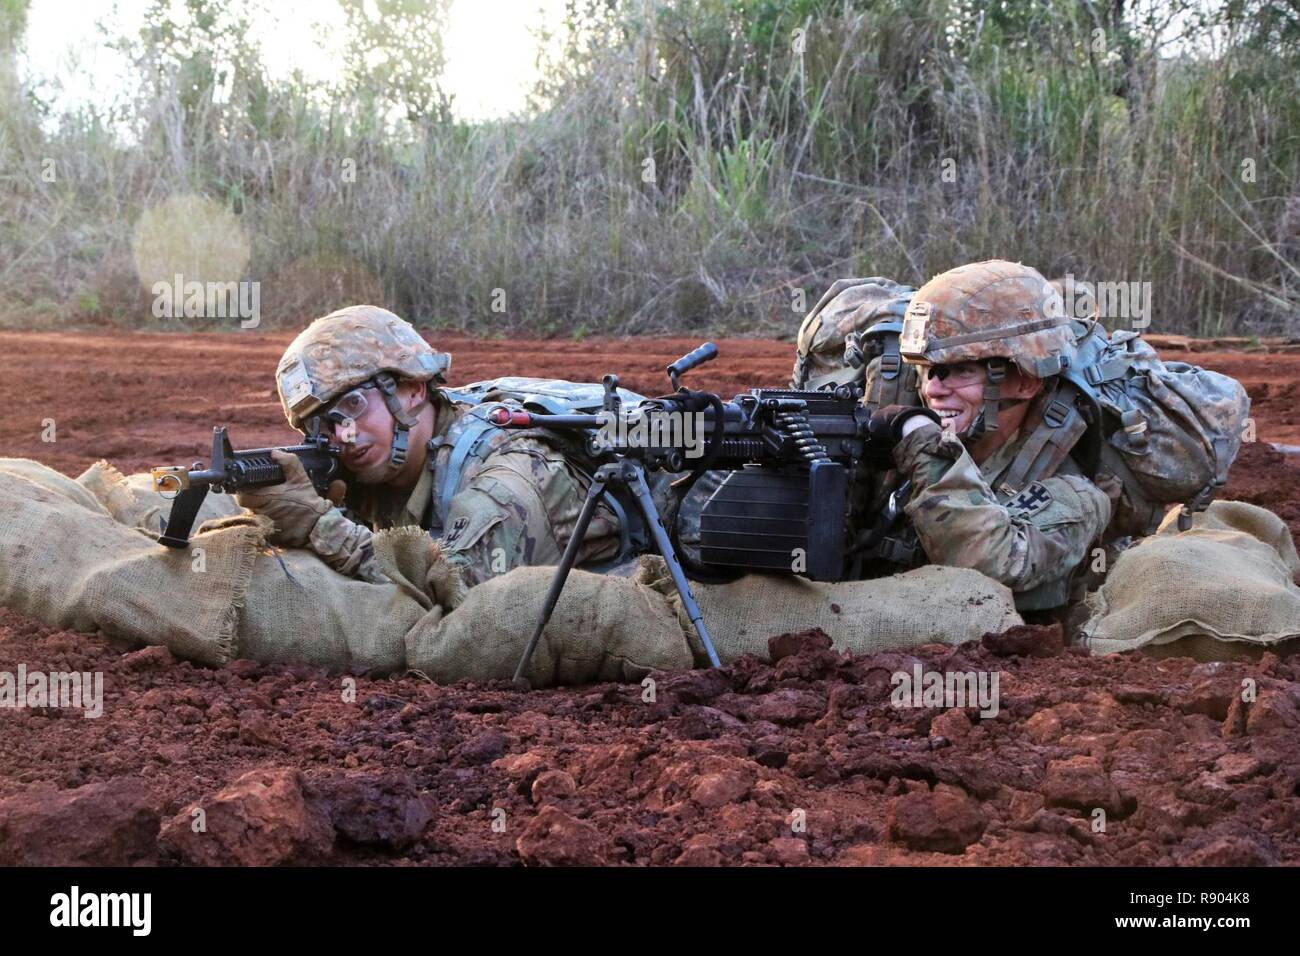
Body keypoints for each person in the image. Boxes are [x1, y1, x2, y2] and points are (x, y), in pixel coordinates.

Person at [234, 305, 633, 606]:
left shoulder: (507, 467)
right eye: (320, 425)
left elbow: (467, 591)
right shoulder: (378, 466)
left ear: (412, 389)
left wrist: (322, 527)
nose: (343, 435)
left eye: (354, 404)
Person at [861, 260, 1114, 612]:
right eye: (927, 370)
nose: (934, 389)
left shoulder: (1075, 495)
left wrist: (923, 442)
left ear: (1025, 382)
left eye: (960, 371)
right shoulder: (909, 444)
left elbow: (989, 570)